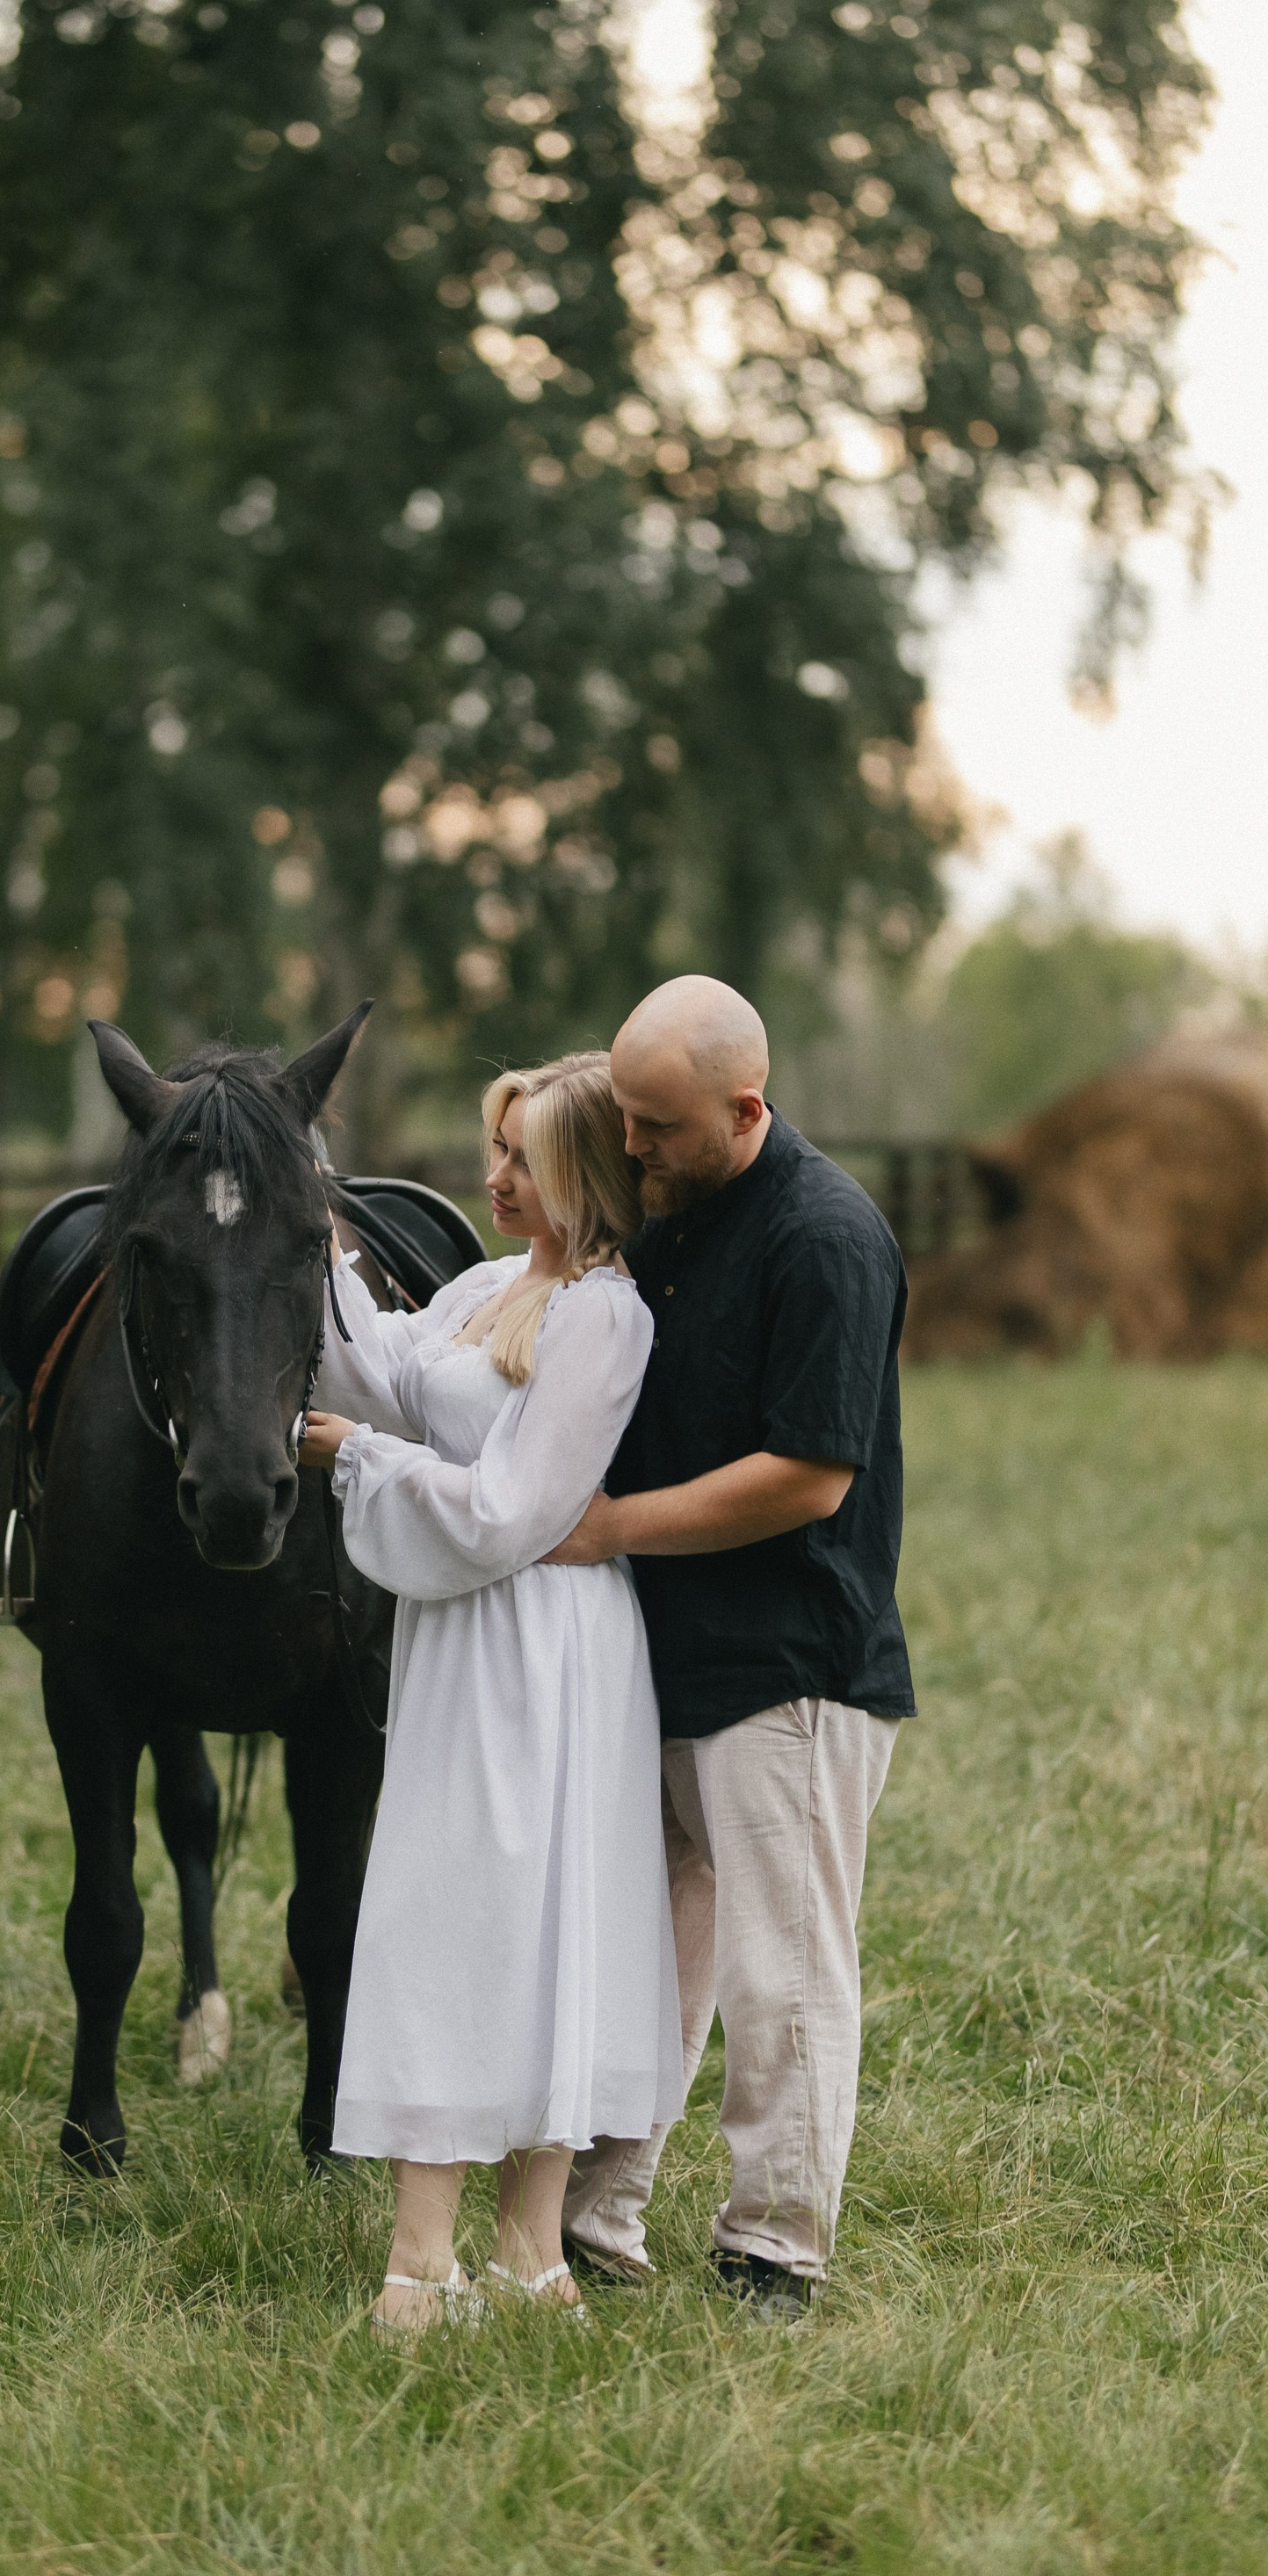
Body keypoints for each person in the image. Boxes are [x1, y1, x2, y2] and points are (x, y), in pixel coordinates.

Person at [299, 1053, 684, 2335]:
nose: (493, 1176)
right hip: (464, 1639)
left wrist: (364, 1461)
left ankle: (511, 2255)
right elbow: (380, 1372)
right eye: (496, 1149)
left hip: (544, 1648)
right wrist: (316, 1242)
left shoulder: (603, 1317)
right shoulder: (483, 1285)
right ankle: (446, 2261)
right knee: (457, 1909)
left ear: (582, 1173)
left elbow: (520, 1510)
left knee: (524, 1913)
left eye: (522, 1158)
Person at [547, 976, 912, 2319]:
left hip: (794, 1669)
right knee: (658, 1955)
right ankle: (601, 2209)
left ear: (746, 1110)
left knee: (788, 1974)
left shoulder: (825, 1236)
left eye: (655, 1124)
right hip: (673, 1655)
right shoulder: (676, 1222)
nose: (630, 1146)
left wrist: (607, 1529)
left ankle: (776, 2252)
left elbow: (810, 1474)